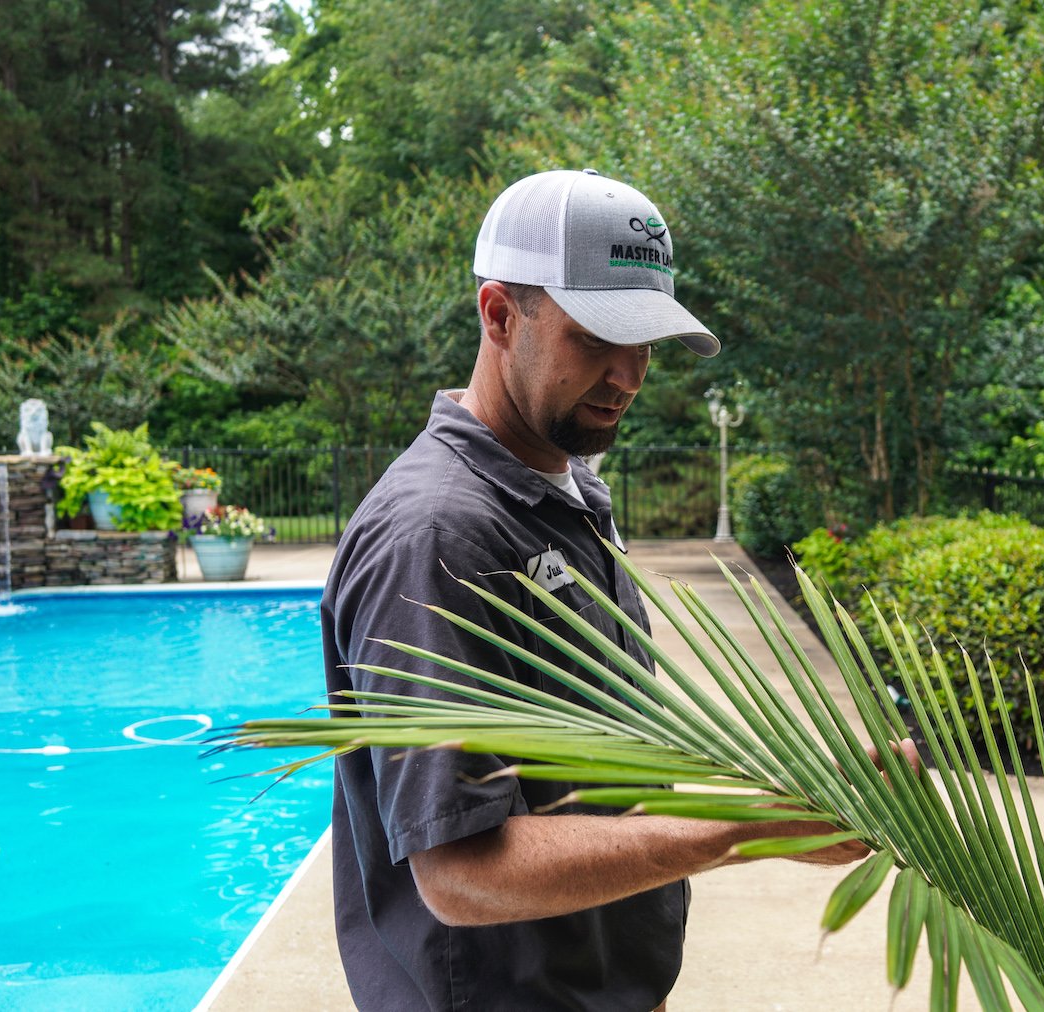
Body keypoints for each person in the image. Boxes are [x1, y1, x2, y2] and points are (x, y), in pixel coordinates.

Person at [320, 169, 872, 1011]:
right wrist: (750, 830)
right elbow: (462, 874)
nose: (628, 376)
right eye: (595, 338)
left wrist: (786, 788)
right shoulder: (436, 533)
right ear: (500, 314)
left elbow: (587, 774)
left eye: (645, 342)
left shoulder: (568, 491)